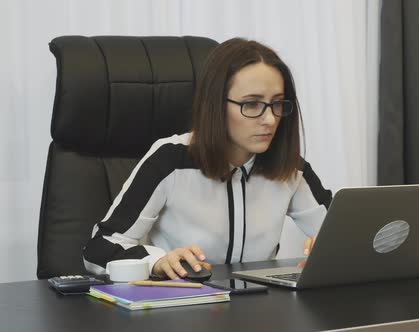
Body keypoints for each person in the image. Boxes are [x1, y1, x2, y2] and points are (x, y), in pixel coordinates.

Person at [82, 38, 332, 280]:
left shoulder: (290, 167)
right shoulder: (171, 158)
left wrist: (331, 248)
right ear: (215, 105)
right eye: (252, 104)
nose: (270, 120)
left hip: (260, 306)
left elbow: (353, 237)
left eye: (277, 104)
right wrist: (156, 262)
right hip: (184, 307)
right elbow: (100, 249)